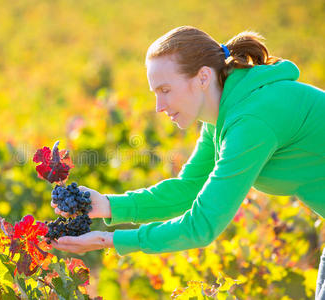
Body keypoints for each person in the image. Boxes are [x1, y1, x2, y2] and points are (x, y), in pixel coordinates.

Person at [49, 26, 325, 298]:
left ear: (203, 77)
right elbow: (188, 189)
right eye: (155, 93)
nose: (159, 106)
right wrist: (108, 205)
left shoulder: (251, 120)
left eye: (165, 90)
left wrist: (108, 240)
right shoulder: (221, 118)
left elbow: (202, 226)